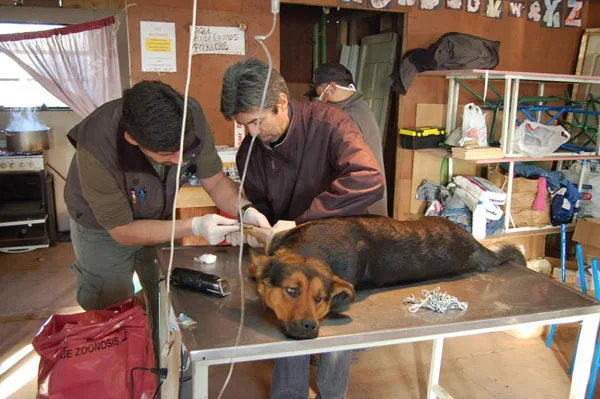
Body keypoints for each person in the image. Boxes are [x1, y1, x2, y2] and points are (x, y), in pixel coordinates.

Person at [220, 58, 384, 399]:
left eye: (256, 122)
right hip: (290, 249)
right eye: (244, 125)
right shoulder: (251, 149)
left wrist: (304, 219)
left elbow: (368, 178)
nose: (251, 133)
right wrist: (254, 222)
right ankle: (290, 393)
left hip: (339, 243)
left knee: (333, 323)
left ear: (280, 103)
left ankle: (331, 393)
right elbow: (262, 205)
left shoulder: (331, 123)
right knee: (291, 316)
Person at [64, 81, 271, 315]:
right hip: (103, 228)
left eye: (185, 149)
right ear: (133, 139)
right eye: (166, 154)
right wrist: (195, 226)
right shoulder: (96, 148)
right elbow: (121, 230)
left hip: (158, 216)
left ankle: (157, 348)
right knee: (109, 305)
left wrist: (245, 210)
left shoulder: (190, 117)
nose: (180, 160)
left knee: (165, 295)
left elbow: (214, 182)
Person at [305, 62, 388, 216]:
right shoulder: (359, 107)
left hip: (362, 201)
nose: (320, 100)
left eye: (319, 94)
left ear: (332, 87)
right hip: (367, 197)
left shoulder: (348, 118)